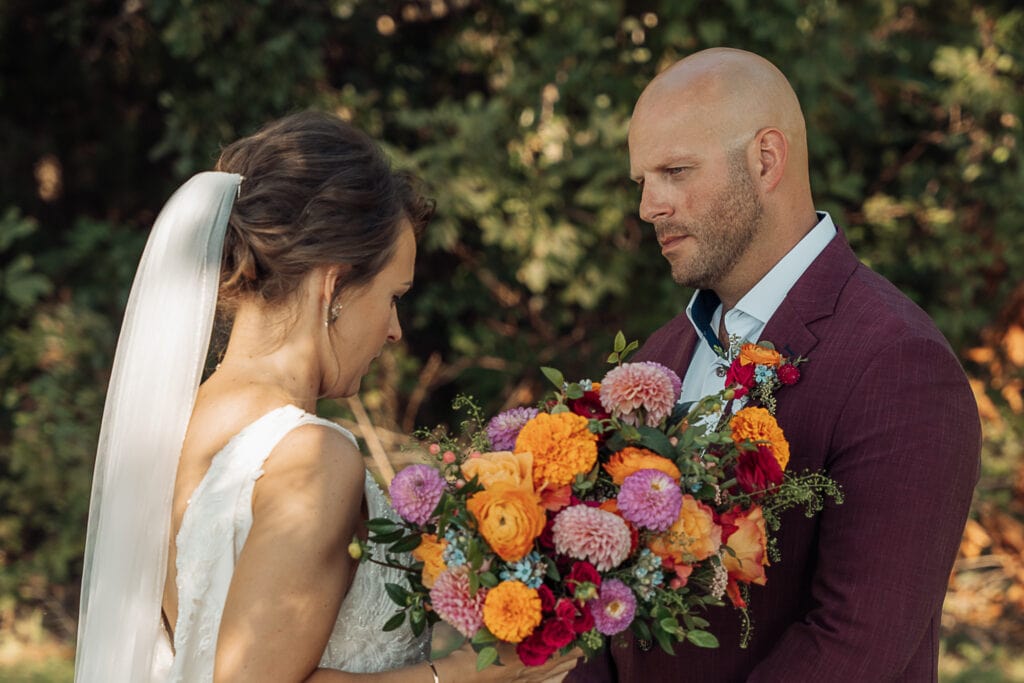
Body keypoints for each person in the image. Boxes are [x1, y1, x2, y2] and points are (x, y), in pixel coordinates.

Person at [74, 111, 578, 682]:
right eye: (394, 296)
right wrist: (471, 673)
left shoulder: (177, 426)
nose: (395, 330)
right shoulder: (312, 457)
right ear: (334, 285)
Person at [568, 47, 981, 682]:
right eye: (642, 181)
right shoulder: (657, 360)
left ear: (766, 160)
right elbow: (613, 625)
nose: (650, 206)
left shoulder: (898, 361)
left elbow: (854, 645)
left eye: (675, 171)